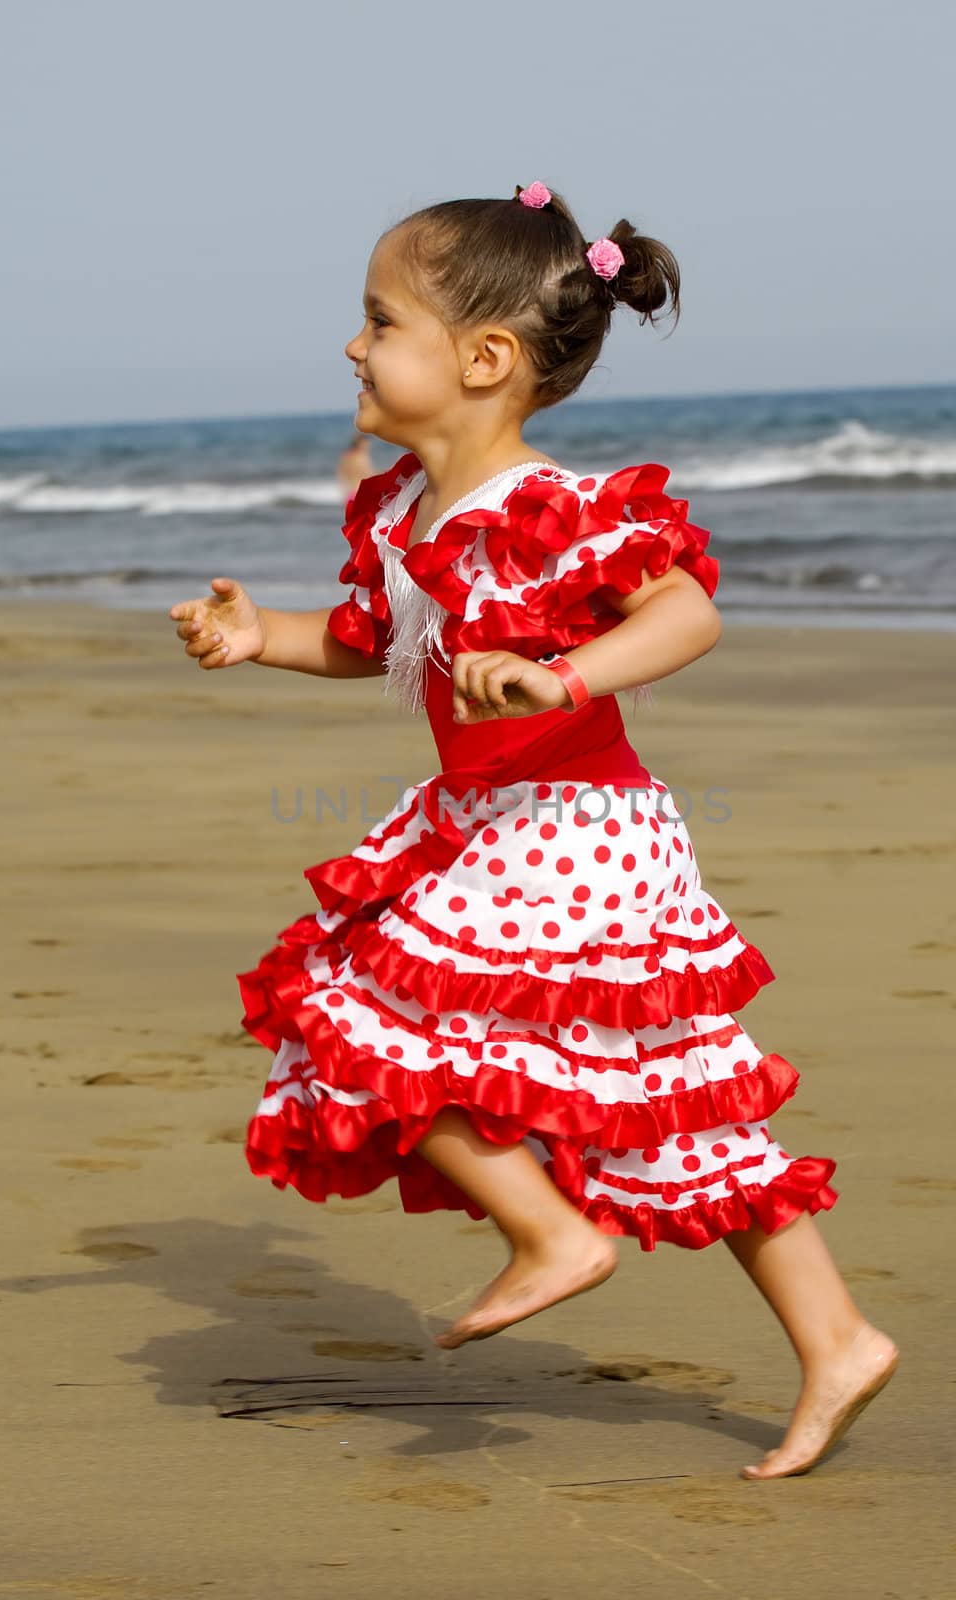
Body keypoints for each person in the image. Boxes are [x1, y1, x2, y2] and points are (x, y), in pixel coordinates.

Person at [168, 181, 898, 1481]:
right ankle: (834, 1337)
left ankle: (557, 1237)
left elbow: (683, 616)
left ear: (481, 360)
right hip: (485, 818)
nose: (351, 344)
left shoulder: (551, 507)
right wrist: (255, 637)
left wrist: (566, 678)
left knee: (357, 1017)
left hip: (575, 822)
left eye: (377, 319)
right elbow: (365, 644)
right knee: (665, 1105)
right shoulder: (404, 513)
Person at [337, 434, 373, 507]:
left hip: (350, 493)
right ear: (361, 443)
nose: (368, 445)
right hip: (360, 494)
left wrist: (344, 490)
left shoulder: (346, 456)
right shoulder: (361, 457)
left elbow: (341, 475)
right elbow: (368, 475)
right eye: (366, 443)